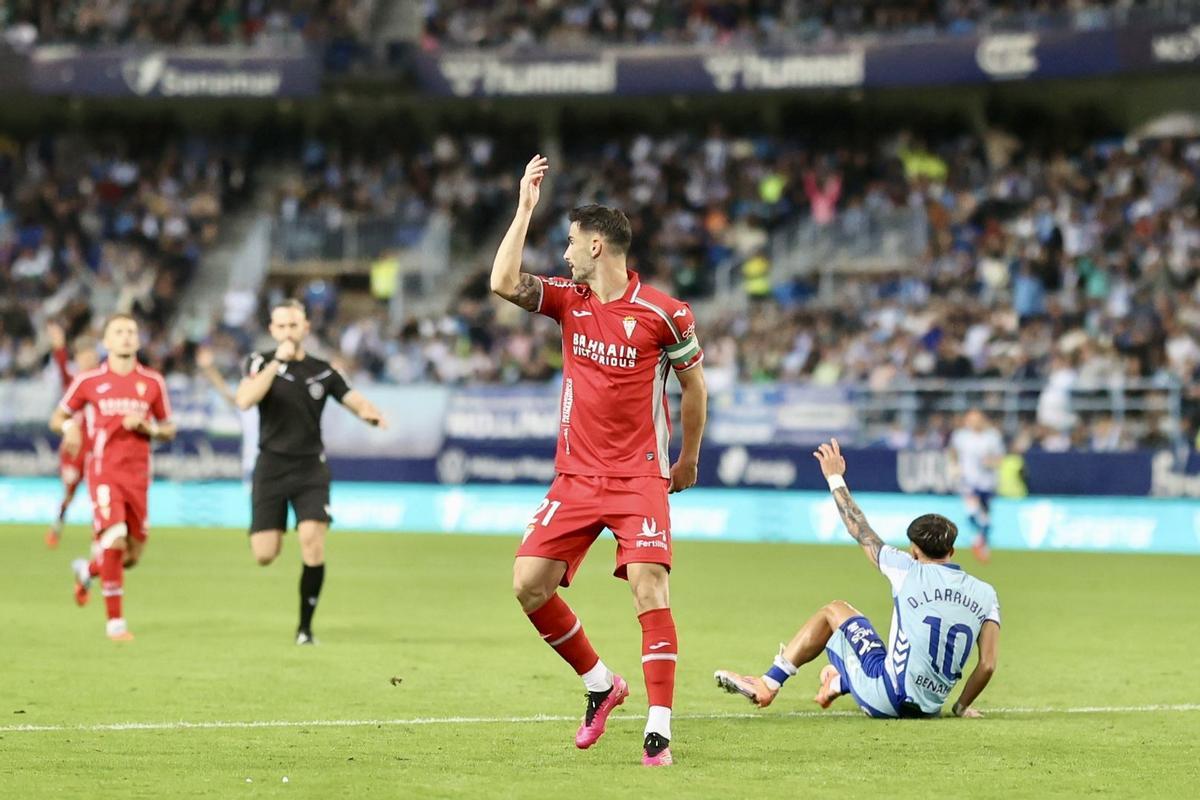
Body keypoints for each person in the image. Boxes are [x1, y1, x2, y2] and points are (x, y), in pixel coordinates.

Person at [491, 155, 708, 767]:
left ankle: (659, 728)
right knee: (527, 585)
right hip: (576, 477)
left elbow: (696, 388)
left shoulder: (666, 314)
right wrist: (525, 208)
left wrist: (687, 457)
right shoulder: (570, 300)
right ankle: (599, 683)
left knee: (649, 588)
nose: (563, 255)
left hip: (639, 476)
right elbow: (503, 282)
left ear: (596, 245)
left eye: (568, 244)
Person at [715, 439, 1000, 720]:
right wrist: (961, 707)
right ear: (952, 551)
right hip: (929, 709)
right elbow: (987, 665)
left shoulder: (905, 568)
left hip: (888, 697)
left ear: (914, 550)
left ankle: (769, 683)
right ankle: (837, 681)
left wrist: (834, 476)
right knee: (871, 647)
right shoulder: (986, 593)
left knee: (833, 612)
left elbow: (858, 526)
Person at [234, 299, 387, 645]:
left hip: (309, 469)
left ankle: (305, 629)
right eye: (282, 327)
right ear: (273, 331)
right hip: (271, 466)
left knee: (312, 544)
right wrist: (277, 363)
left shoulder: (322, 370)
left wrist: (370, 414)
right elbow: (244, 400)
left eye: (294, 326)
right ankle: (277, 528)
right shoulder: (259, 362)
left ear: (305, 328)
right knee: (264, 554)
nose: (288, 332)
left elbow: (352, 398)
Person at [49, 314, 177, 641]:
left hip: (138, 476)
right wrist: (71, 427)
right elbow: (58, 416)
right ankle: (115, 624)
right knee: (114, 540)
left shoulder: (152, 382)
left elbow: (168, 428)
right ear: (106, 341)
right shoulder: (89, 380)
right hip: (104, 471)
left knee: (130, 555)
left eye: (131, 332)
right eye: (118, 332)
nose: (126, 337)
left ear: (138, 340)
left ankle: (86, 570)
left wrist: (147, 427)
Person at [45, 321, 99, 549]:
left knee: (98, 494)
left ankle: (98, 534)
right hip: (75, 449)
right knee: (69, 491)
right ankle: (57, 525)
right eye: (83, 357)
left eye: (90, 356)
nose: (87, 360)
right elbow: (62, 369)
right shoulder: (75, 383)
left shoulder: (102, 384)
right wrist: (59, 346)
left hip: (97, 448)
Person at [948, 409, 1004, 562]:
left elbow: (999, 458)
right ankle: (977, 541)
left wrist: (991, 462)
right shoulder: (961, 436)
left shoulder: (992, 437)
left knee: (985, 517)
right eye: (971, 419)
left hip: (987, 482)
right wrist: (954, 466)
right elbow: (953, 452)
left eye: (977, 419)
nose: (974, 422)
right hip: (968, 481)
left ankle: (981, 542)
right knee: (972, 512)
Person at [196, 344, 258, 483]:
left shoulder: (276, 399)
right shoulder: (247, 403)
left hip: (276, 467)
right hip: (252, 466)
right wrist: (209, 369)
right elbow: (227, 394)